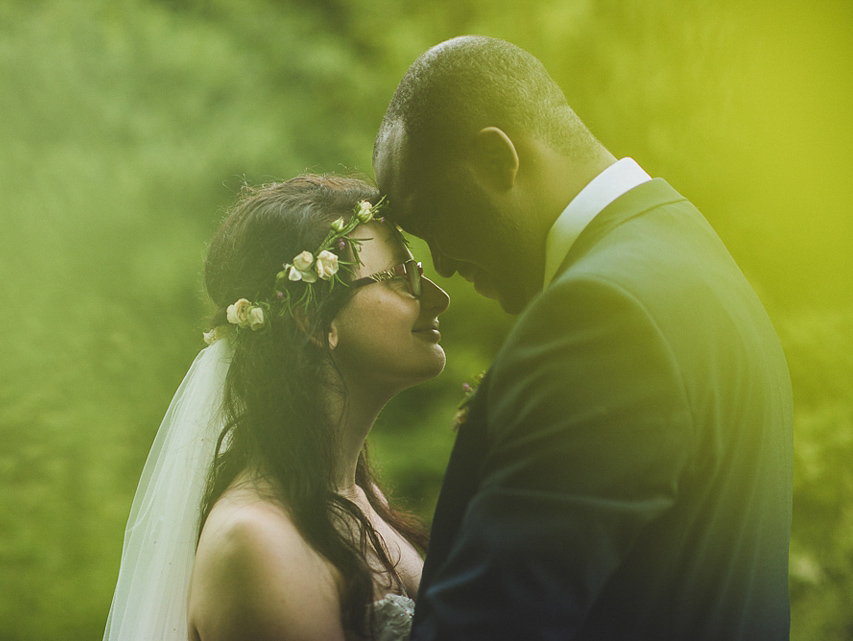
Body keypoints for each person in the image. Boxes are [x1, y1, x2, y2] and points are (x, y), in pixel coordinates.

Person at [374, 36, 793, 640]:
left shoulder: (602, 315)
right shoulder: (680, 242)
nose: (438, 263)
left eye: (431, 214)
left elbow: (495, 622)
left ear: (499, 161)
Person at [103, 174, 450, 641]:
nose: (438, 298)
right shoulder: (257, 544)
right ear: (314, 320)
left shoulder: (361, 501)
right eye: (401, 277)